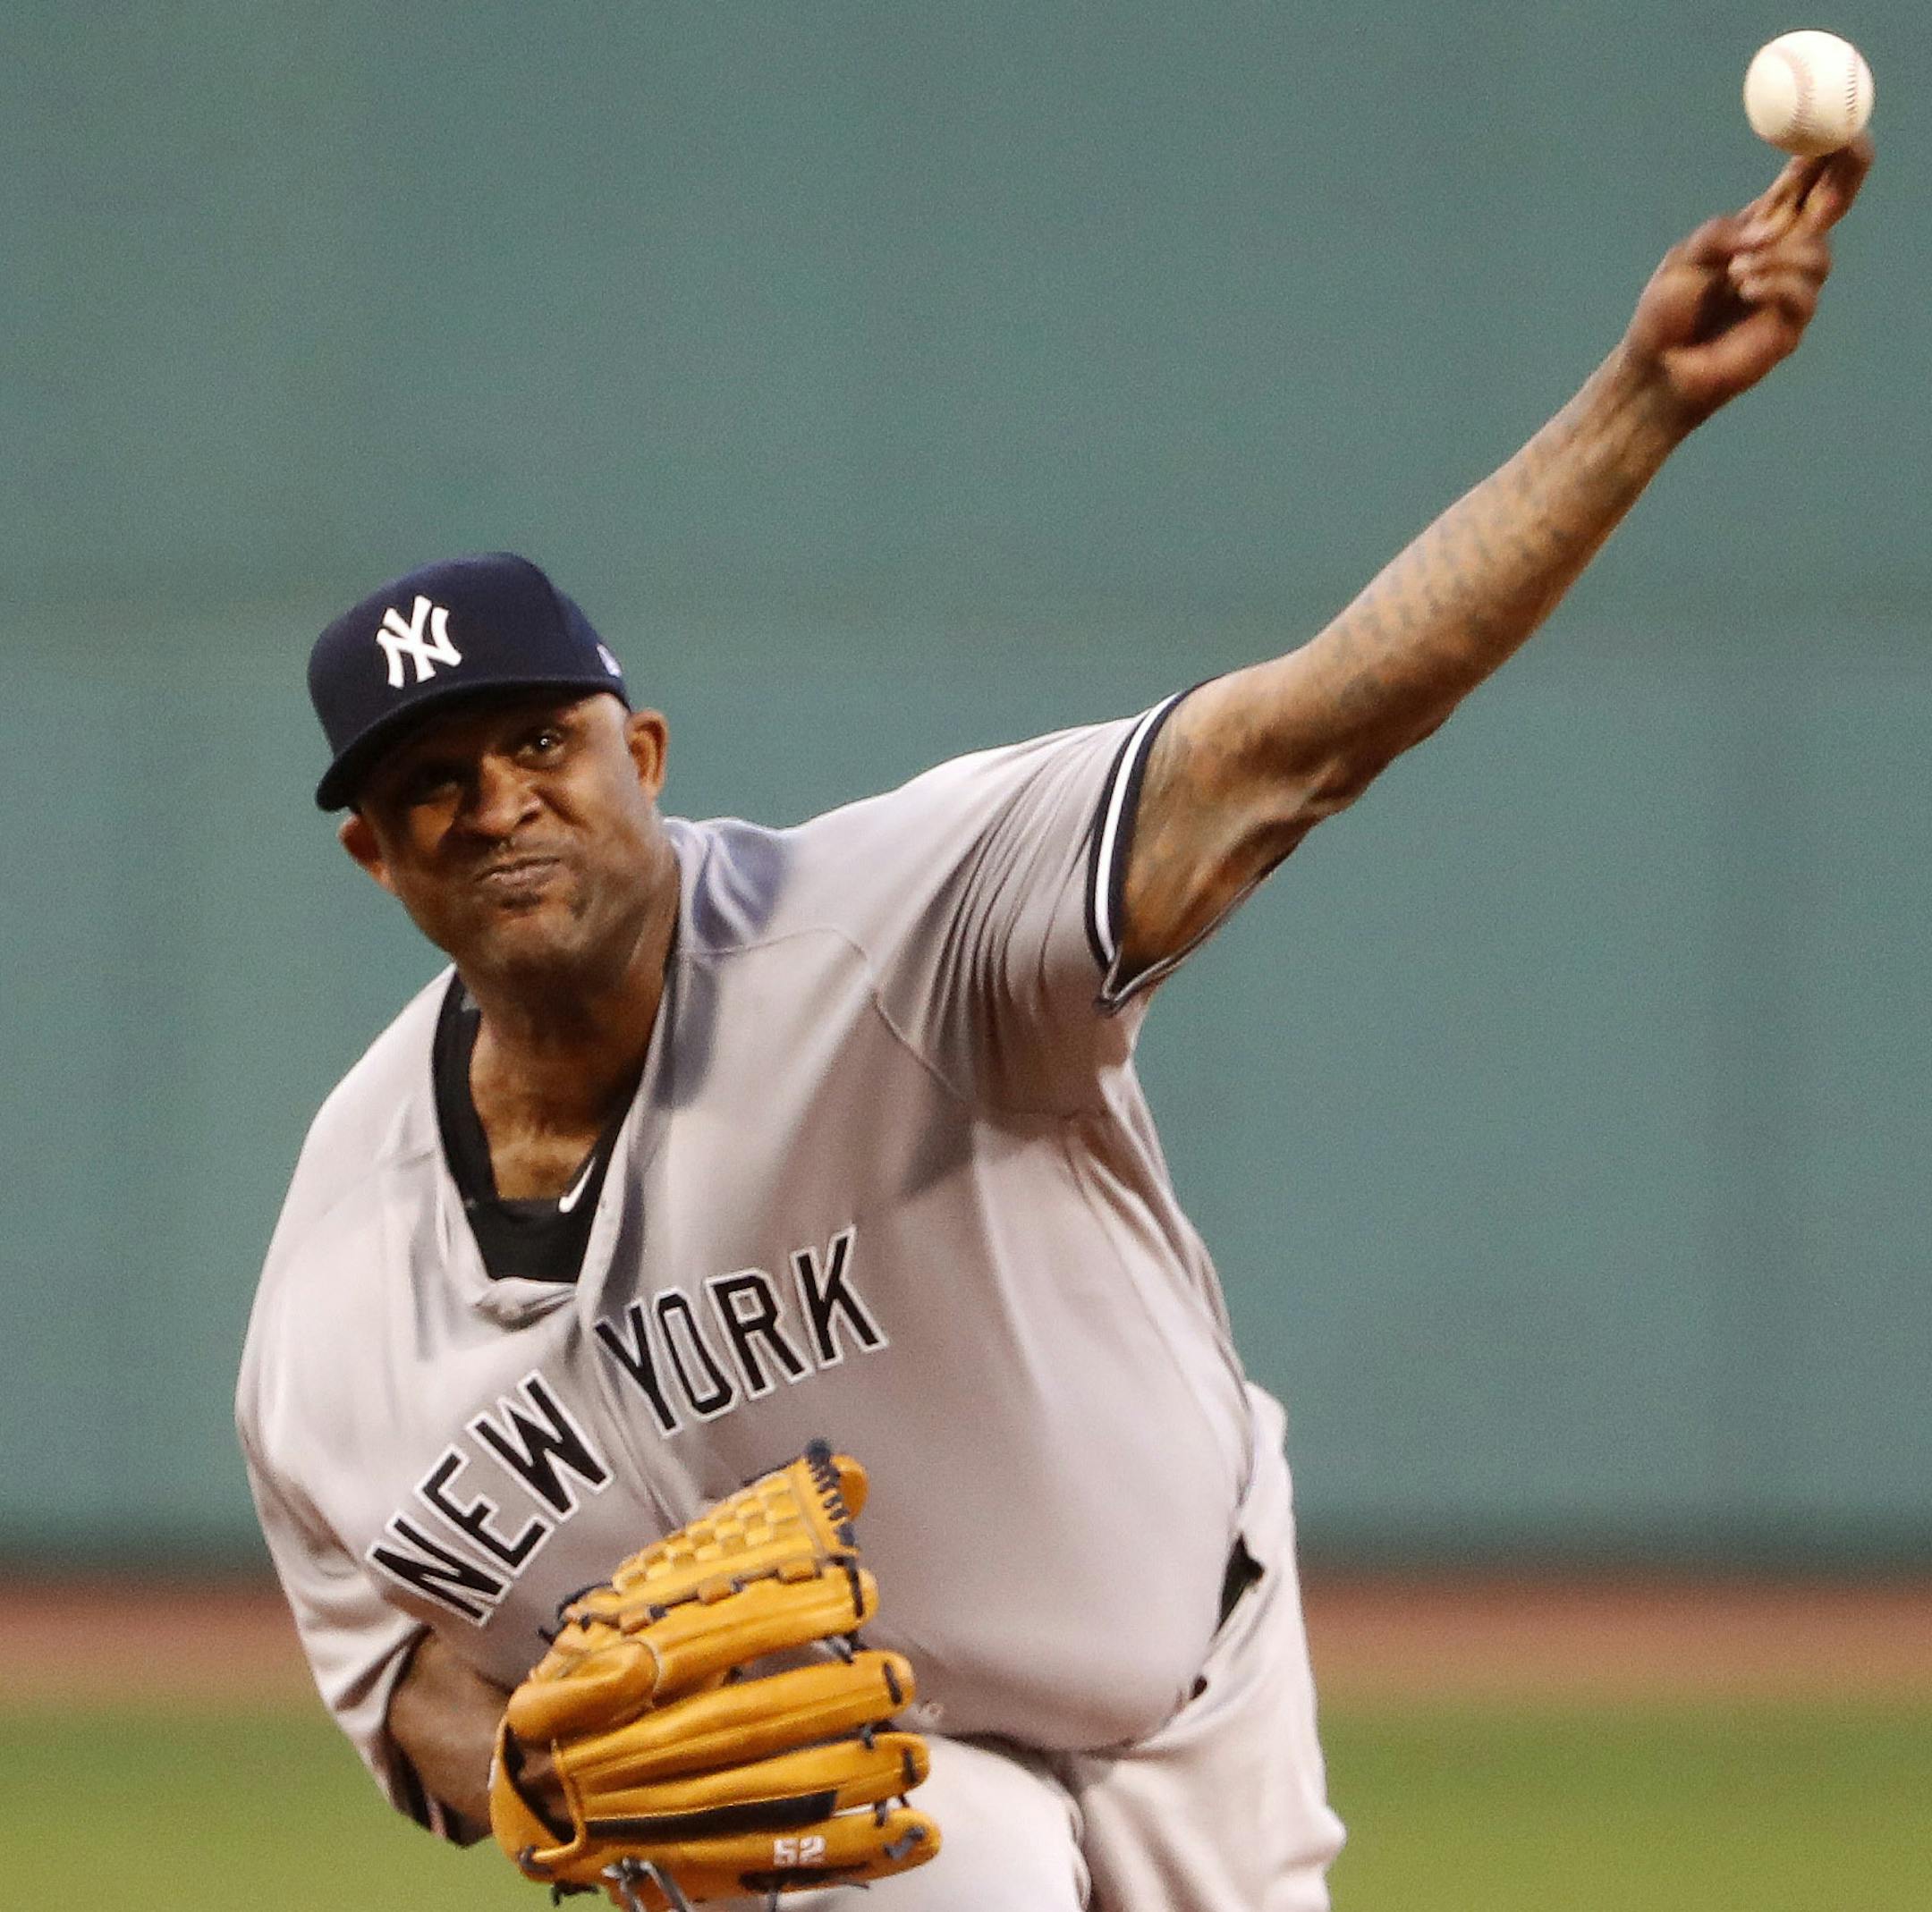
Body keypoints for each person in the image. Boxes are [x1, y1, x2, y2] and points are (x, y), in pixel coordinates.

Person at [237, 143, 1868, 1911]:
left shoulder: (896, 926)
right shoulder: (335, 1298)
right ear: (372, 851)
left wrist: (1637, 406)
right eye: (430, 781)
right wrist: (529, 1765)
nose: (497, 804)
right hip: (861, 1803)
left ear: (641, 754)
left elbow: (1303, 734)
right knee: (928, 1860)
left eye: (538, 743)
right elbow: (399, 1673)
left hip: (1186, 1684)